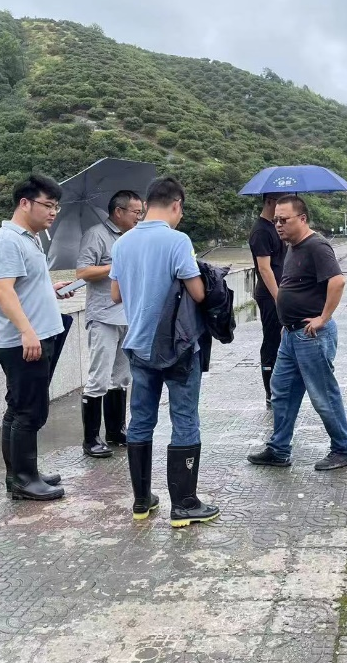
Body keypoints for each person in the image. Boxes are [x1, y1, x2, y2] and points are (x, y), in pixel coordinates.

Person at [109, 177, 220, 528]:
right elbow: (198, 293)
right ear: (176, 205)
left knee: (141, 420)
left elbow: (115, 295)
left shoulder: (123, 242)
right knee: (184, 418)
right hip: (177, 347)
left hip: (138, 345)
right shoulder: (177, 240)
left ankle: (142, 501)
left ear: (147, 204)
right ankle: (184, 504)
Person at [247, 195, 347, 471]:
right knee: (282, 390)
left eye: (284, 220)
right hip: (290, 335)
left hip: (311, 336)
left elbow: (338, 281)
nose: (278, 225)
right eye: (276, 220)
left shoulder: (316, 246)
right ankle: (279, 449)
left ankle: (343, 449)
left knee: (323, 395)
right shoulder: (293, 247)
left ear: (302, 219)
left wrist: (323, 317)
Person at [0, 174, 76, 501]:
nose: (53, 212)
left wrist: (48, 289)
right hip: (23, 341)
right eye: (47, 205)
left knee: (19, 409)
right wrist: (27, 331)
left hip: (36, 336)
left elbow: (21, 285)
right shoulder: (7, 240)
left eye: (56, 206)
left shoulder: (30, 239)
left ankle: (22, 474)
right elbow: (2, 290)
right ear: (25, 203)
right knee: (29, 412)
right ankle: (24, 481)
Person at [75, 190, 144, 458]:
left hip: (128, 315)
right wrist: (116, 264)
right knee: (99, 377)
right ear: (118, 212)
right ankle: (91, 439)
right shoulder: (96, 235)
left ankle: (116, 431)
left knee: (121, 377)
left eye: (141, 213)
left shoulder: (134, 237)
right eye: (135, 212)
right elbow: (83, 272)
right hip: (103, 316)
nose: (139, 217)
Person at [248, 192, 287, 409]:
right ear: (270, 201)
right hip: (270, 294)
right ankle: (270, 392)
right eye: (280, 202)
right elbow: (264, 268)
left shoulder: (275, 227)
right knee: (271, 341)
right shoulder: (261, 231)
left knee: (283, 341)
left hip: (281, 291)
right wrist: (279, 297)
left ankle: (281, 386)